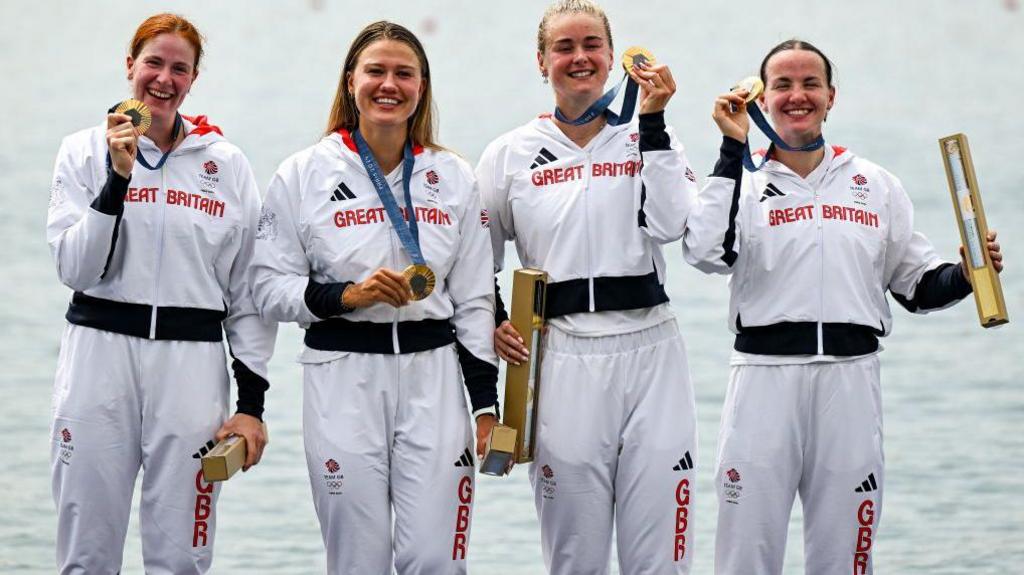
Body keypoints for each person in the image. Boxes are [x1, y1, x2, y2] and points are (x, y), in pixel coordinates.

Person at [683, 39, 1004, 574]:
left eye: (810, 83)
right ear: (762, 100)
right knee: (746, 554)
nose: (797, 95)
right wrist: (729, 149)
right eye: (782, 85)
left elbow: (917, 285)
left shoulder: (874, 184)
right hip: (765, 381)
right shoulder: (742, 180)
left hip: (851, 383)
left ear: (832, 97)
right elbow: (706, 254)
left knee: (847, 557)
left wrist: (968, 273)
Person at [250, 20, 498, 575]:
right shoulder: (302, 172)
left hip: (433, 377)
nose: (389, 85)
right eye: (376, 72)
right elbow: (267, 289)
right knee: (357, 560)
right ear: (350, 81)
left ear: (422, 87)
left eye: (404, 74)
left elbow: (477, 298)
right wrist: (347, 295)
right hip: (342, 376)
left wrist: (485, 405)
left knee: (436, 559)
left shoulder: (453, 176)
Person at [45, 13, 275, 574]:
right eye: (153, 63)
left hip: (191, 368)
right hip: (100, 357)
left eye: (179, 68)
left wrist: (251, 408)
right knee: (87, 555)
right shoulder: (82, 151)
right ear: (130, 66)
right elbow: (77, 267)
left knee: (182, 559)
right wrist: (117, 179)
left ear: (193, 80)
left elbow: (246, 295)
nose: (163, 79)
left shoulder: (226, 164)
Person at [477, 1, 700, 573]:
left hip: (651, 348)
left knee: (661, 557)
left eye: (591, 46)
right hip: (560, 353)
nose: (579, 58)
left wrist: (653, 121)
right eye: (564, 48)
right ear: (541, 61)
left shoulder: (649, 138)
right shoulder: (508, 155)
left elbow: (675, 225)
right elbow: (475, 261)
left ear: (612, 56)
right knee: (575, 556)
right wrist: (498, 318)